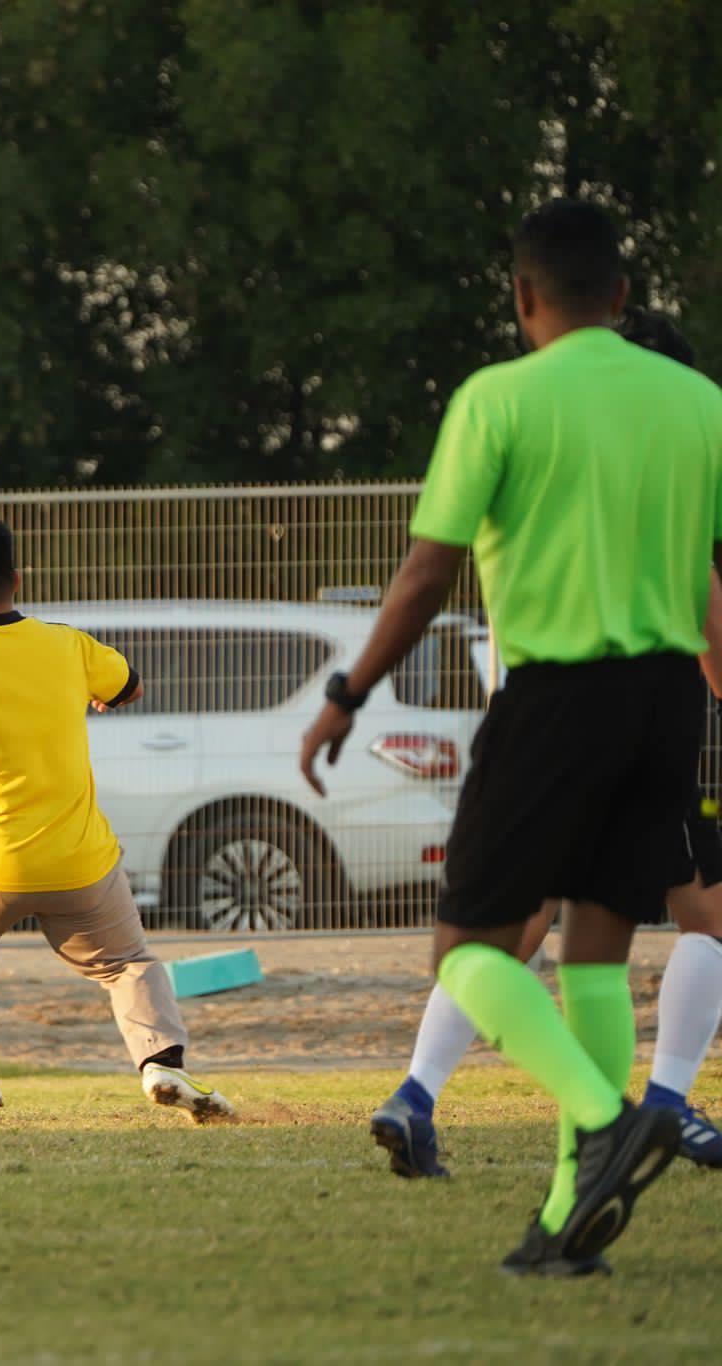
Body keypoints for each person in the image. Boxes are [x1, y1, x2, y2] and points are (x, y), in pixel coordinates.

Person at [299, 200, 722, 1275]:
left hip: (553, 698)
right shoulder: (699, 403)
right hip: (667, 701)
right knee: (596, 951)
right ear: (620, 294)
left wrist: (349, 690)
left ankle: (604, 1119)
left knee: (466, 951)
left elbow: (426, 573)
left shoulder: (496, 398)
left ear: (523, 296)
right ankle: (566, 1221)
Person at [371, 311, 722, 1180]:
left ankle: (418, 1093)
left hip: (533, 725)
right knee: (703, 921)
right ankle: (650, 1108)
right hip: (639, 726)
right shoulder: (664, 471)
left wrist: (350, 696)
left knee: (513, 929)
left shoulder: (543, 448)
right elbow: (709, 626)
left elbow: (441, 569)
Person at [0, 514, 233, 1129]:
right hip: (79, 863)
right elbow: (129, 686)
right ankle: (162, 1062)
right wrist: (94, 690)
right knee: (127, 962)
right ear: (17, 579)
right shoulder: (69, 646)